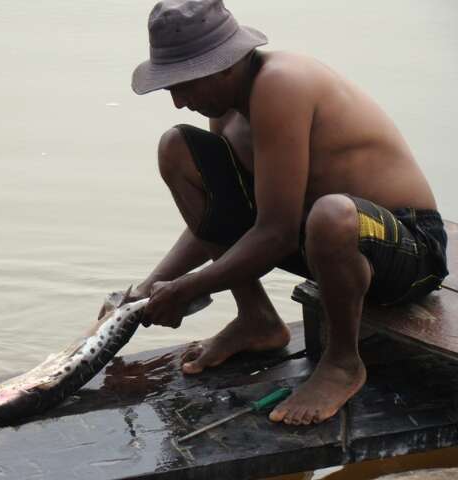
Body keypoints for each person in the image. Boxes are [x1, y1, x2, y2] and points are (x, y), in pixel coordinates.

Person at [124, 0, 449, 425]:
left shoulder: (281, 84)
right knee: (177, 148)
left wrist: (186, 288)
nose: (179, 103)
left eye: (183, 86)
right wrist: (151, 287)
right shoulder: (226, 111)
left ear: (222, 66)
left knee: (332, 215)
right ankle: (256, 318)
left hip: (406, 248)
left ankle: (342, 363)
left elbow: (274, 234)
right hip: (319, 241)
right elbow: (221, 217)